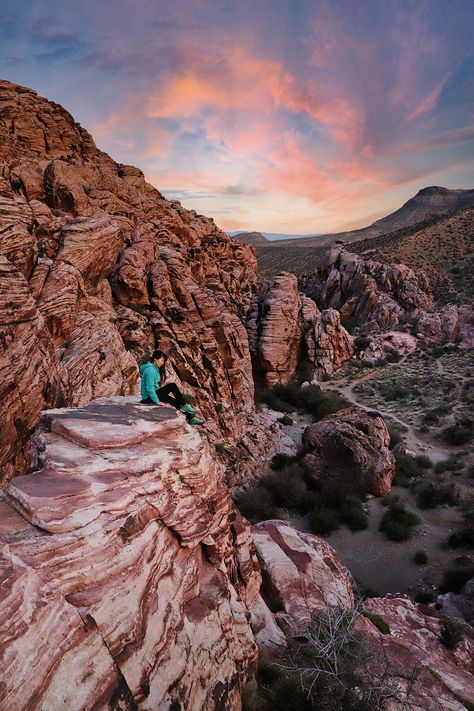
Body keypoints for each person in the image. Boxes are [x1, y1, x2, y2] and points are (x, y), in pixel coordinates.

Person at [139, 350, 204, 426]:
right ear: (155, 359)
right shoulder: (150, 370)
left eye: (164, 361)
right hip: (148, 398)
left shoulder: (154, 369)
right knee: (172, 386)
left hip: (153, 394)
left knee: (175, 401)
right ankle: (185, 405)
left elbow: (154, 387)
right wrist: (157, 401)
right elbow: (149, 388)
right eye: (161, 360)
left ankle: (190, 418)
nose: (162, 363)